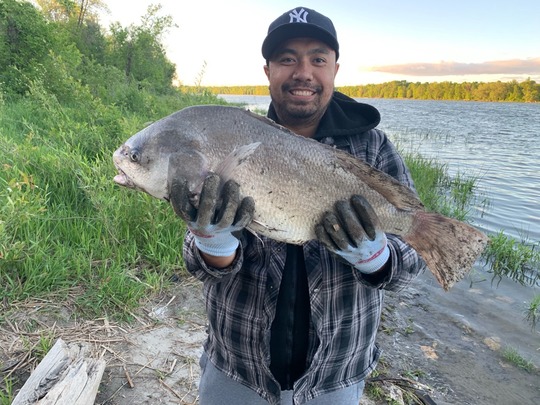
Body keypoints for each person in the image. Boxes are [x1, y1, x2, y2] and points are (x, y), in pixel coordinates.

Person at [172, 6, 425, 405]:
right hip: (236, 369)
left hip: (335, 376)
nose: (303, 72)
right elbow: (196, 264)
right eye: (287, 59)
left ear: (335, 70)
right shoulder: (233, 138)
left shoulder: (373, 150)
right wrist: (213, 243)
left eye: (317, 59)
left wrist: (375, 257)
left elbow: (410, 267)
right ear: (268, 71)